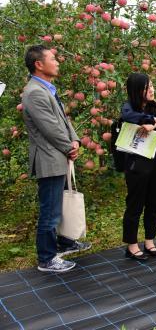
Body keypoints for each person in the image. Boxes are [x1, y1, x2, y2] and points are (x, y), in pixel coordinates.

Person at [22, 45, 90, 273]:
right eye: (53, 58)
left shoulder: (47, 89)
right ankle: (47, 258)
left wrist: (75, 141)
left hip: (59, 156)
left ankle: (64, 242)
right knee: (50, 210)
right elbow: (50, 128)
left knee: (59, 205)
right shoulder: (34, 92)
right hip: (49, 159)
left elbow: (63, 120)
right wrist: (68, 146)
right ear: (39, 64)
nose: (58, 61)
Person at [121, 73, 156, 260]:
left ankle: (150, 240)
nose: (151, 90)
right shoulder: (130, 107)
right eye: (147, 87)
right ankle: (132, 244)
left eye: (152, 85)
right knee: (135, 203)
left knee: (154, 202)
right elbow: (129, 116)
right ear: (137, 90)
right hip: (137, 160)